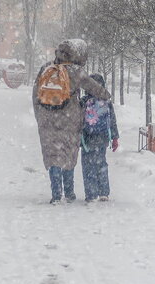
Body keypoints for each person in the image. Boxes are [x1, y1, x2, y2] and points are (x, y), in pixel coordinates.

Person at [31, 39, 110, 203]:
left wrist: (39, 115)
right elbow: (94, 88)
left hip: (47, 118)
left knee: (53, 155)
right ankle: (68, 192)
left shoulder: (46, 69)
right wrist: (106, 96)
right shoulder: (76, 71)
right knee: (68, 153)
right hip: (70, 118)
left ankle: (56, 194)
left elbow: (35, 94)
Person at [80, 74, 119, 201]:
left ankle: (91, 194)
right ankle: (103, 192)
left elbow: (77, 120)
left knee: (87, 165)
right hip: (102, 137)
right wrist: (115, 138)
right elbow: (112, 120)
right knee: (101, 163)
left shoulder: (84, 101)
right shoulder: (106, 101)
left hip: (87, 137)